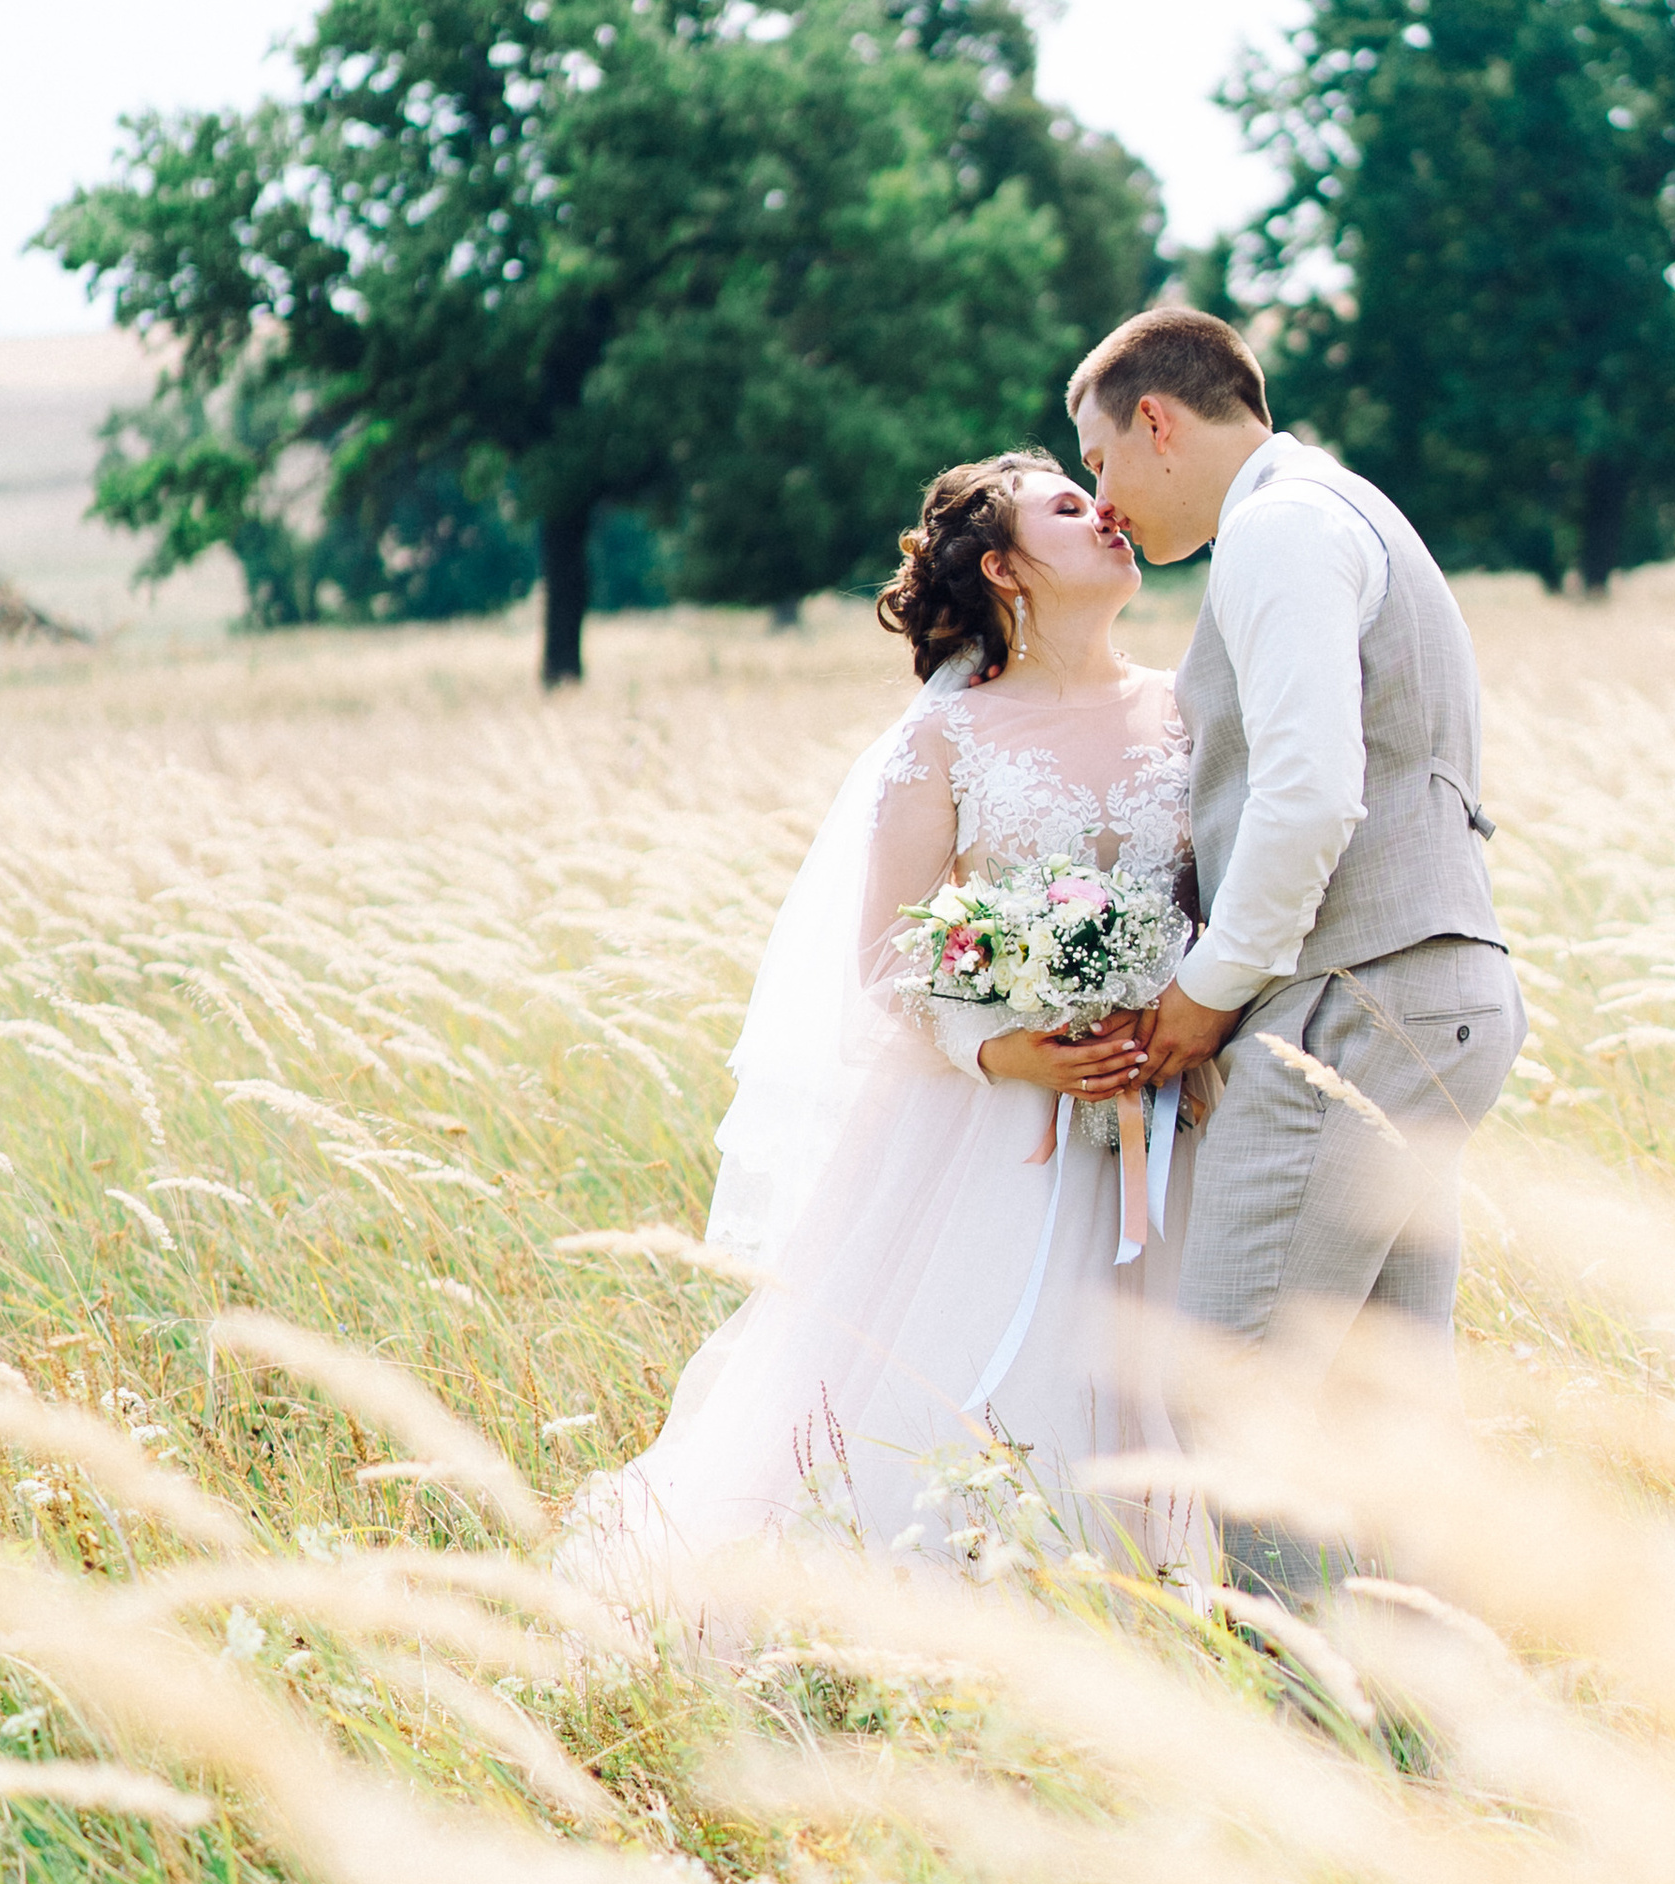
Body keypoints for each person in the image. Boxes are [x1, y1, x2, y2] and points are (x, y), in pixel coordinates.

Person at [560, 451, 1201, 1610]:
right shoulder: (947, 740)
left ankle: (1166, 1615)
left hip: (1170, 1109)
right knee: (957, 1387)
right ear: (1003, 567)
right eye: (1067, 506)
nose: (1104, 512)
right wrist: (1002, 1045)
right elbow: (885, 958)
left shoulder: (1189, 706)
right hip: (990, 1130)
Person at [1068, 308, 1522, 1585]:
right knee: (1382, 1416)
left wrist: (1203, 992)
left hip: (1354, 1006)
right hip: (1430, 997)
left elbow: (1312, 792)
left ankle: (1311, 1740)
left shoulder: (1279, 528)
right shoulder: (1338, 509)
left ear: (1156, 420)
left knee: (1229, 1398)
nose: (1102, 499)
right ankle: (1423, 1745)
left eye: (1099, 458)